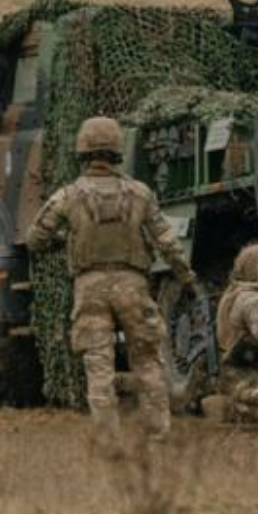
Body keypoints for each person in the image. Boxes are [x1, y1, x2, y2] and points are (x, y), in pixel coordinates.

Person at [28, 115, 195, 439]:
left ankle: (107, 439)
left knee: (98, 366)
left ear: (82, 152)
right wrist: (185, 277)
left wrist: (65, 240)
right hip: (133, 285)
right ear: (118, 150)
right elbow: (167, 241)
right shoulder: (140, 193)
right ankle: (158, 433)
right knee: (148, 361)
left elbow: (35, 239)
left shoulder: (68, 195)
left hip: (89, 287)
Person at [203, 244, 258, 424]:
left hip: (235, 373)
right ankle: (227, 408)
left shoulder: (235, 292)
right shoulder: (252, 300)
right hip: (243, 376)